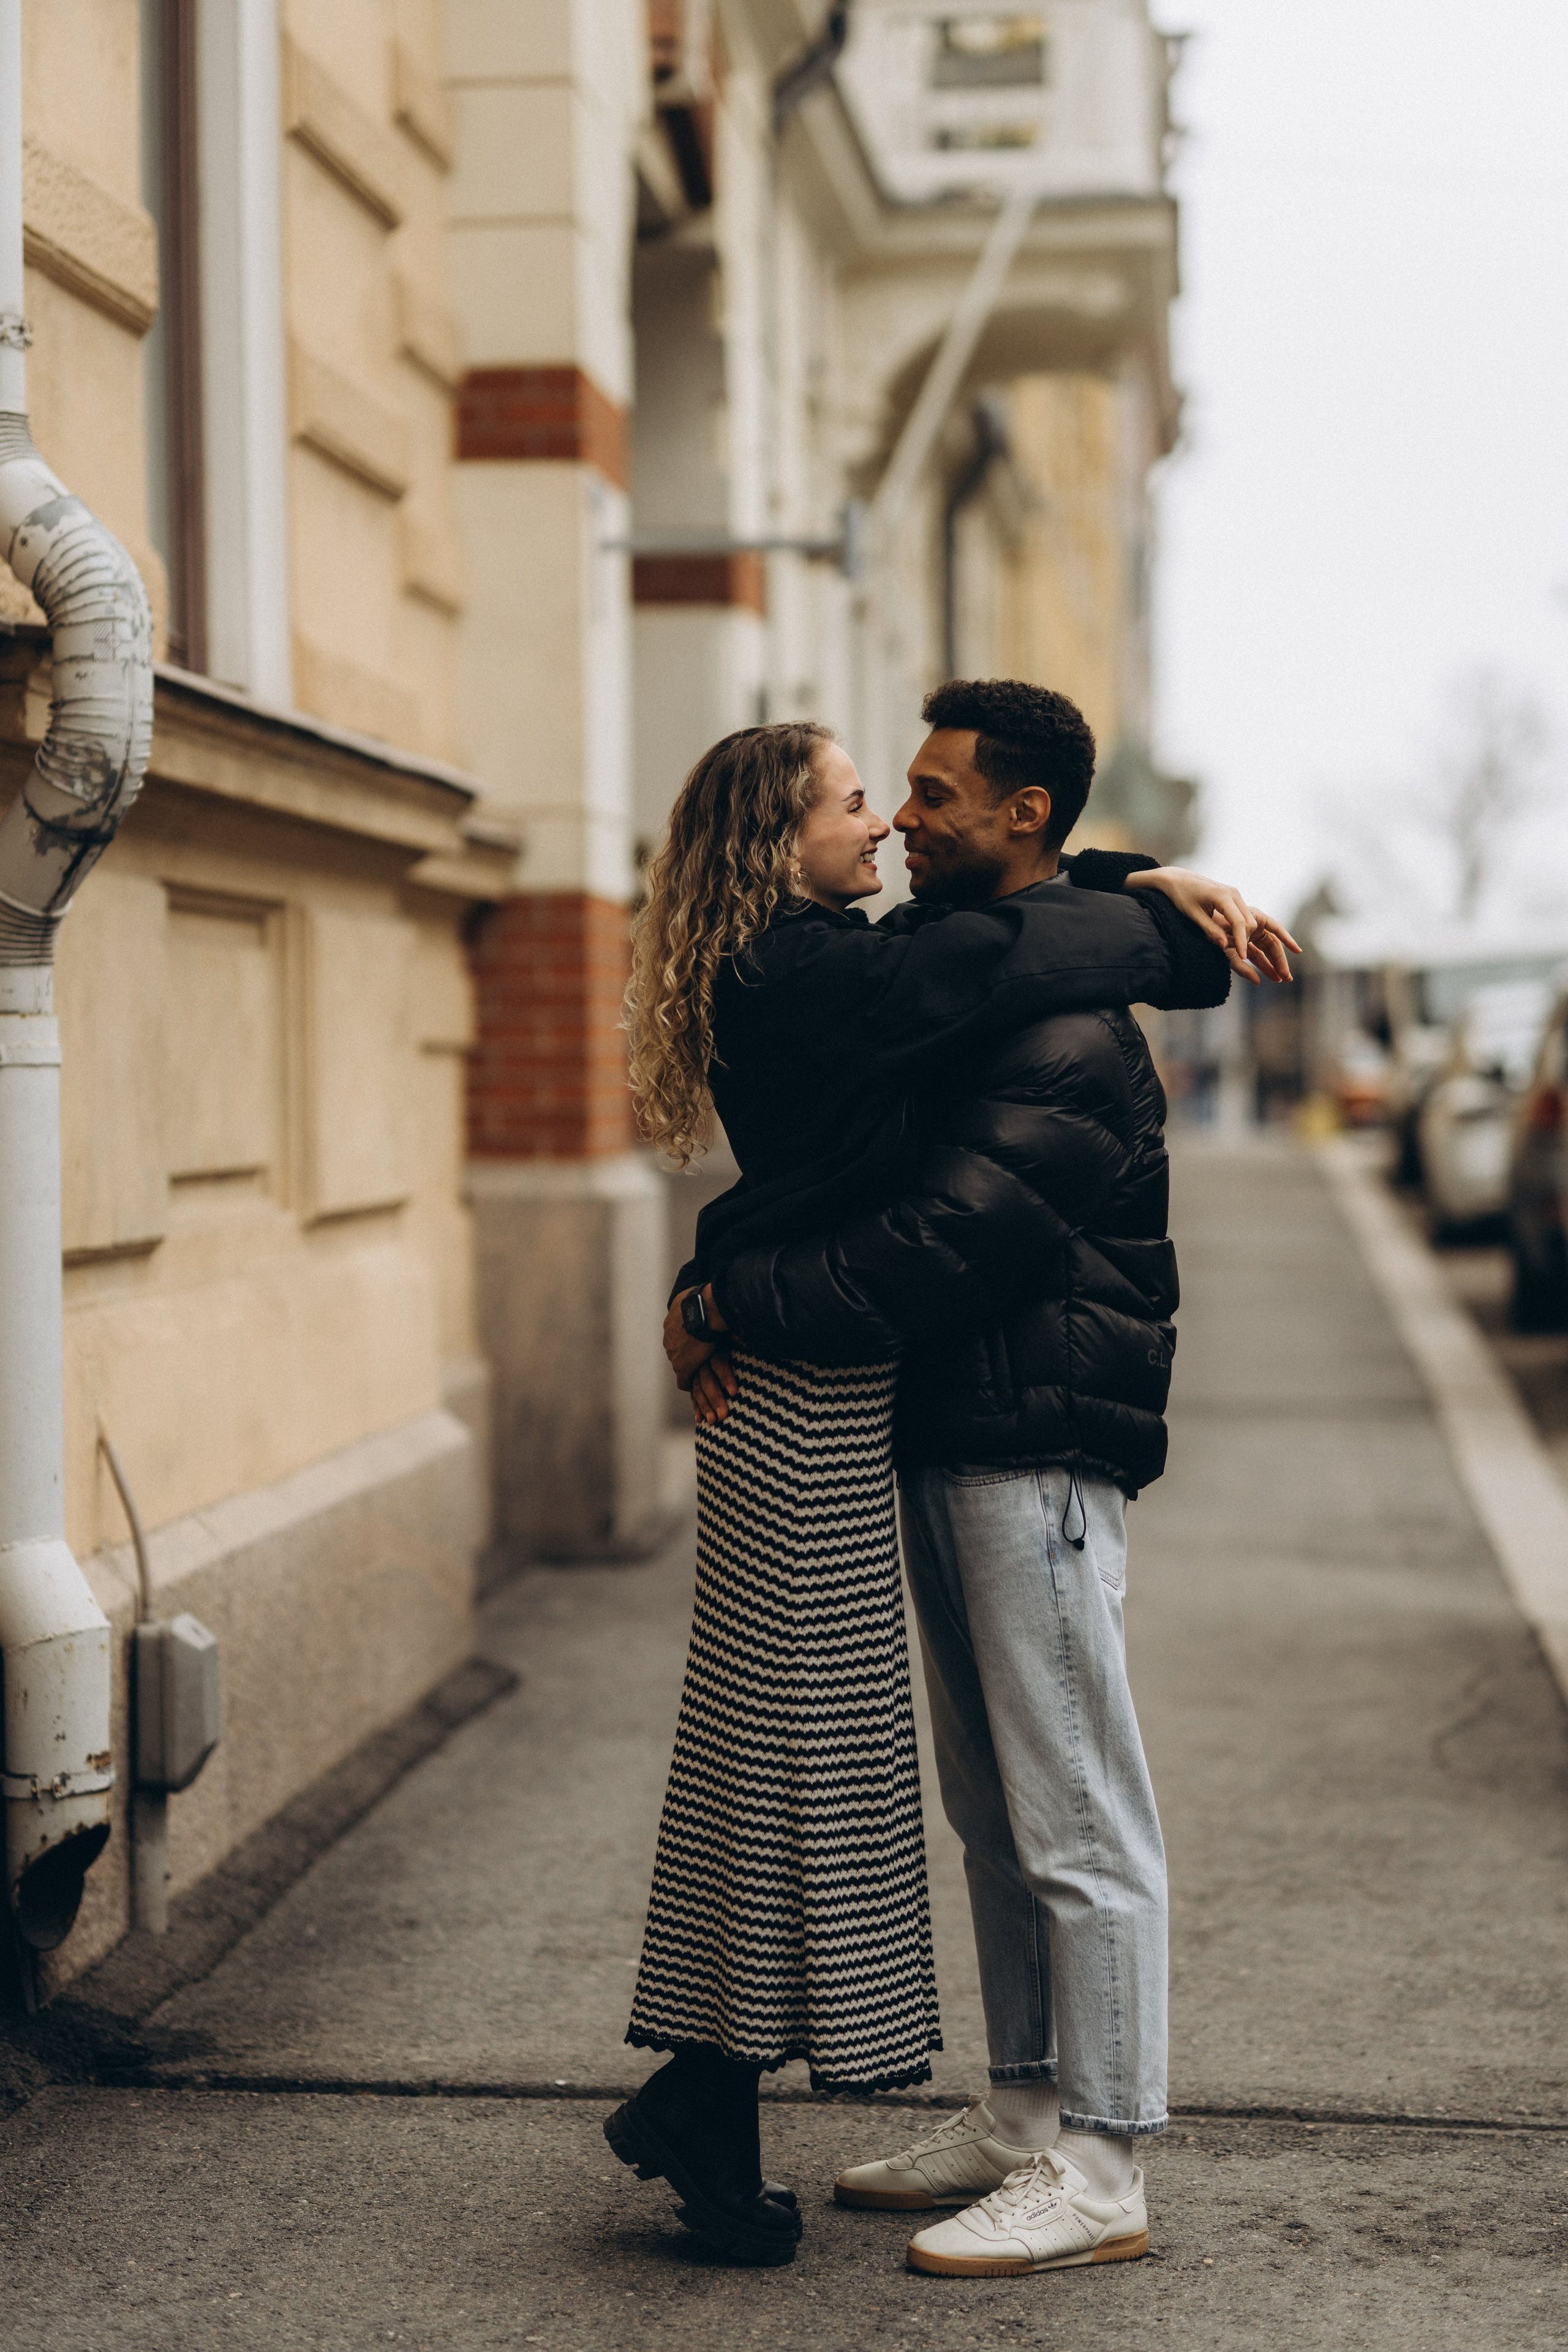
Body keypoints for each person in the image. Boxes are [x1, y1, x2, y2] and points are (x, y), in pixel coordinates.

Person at [606, 711, 1291, 2267]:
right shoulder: (907, 963)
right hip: (939, 1426)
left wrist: (727, 1295)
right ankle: (1026, 2116)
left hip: (1030, 1437)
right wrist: (1158, 882)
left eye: (925, 795)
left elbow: (936, 1243)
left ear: (1019, 815)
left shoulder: (1048, 1025)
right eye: (877, 798)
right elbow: (860, 1121)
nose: (901, 821)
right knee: (995, 1811)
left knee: (1076, 1815)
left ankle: (1102, 2172)